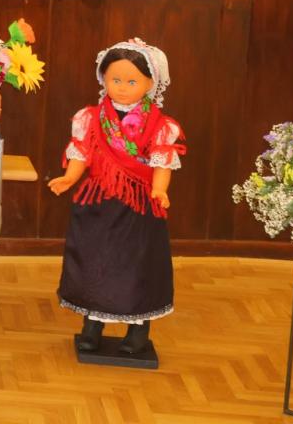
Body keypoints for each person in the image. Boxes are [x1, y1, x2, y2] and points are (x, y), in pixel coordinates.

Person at [47, 38, 185, 355]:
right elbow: (81, 152)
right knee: (94, 262)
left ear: (150, 83)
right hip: (99, 202)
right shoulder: (90, 118)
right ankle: (92, 326)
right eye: (115, 80)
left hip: (139, 206)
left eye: (132, 81)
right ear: (103, 79)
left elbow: (162, 161)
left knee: (138, 266)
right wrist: (70, 177)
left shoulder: (160, 126)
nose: (122, 88)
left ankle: (138, 331)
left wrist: (159, 189)